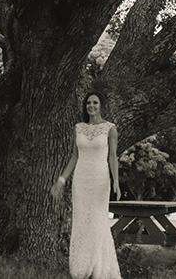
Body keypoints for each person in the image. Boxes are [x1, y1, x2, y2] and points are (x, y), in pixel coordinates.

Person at [55, 90, 121, 279]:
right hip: (81, 181)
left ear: (101, 105)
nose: (91, 106)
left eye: (95, 103)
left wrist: (116, 181)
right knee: (83, 222)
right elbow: (74, 157)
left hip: (100, 180)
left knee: (98, 221)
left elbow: (112, 157)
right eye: (88, 103)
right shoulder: (78, 128)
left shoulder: (110, 128)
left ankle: (99, 269)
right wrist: (61, 180)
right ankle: (83, 268)